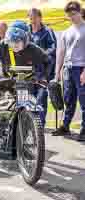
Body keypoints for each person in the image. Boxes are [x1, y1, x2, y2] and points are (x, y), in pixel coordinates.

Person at [0, 21, 49, 133]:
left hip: (25, 82)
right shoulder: (2, 45)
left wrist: (43, 77)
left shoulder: (33, 48)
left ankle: (21, 136)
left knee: (25, 107)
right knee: (1, 106)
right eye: (12, 41)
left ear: (26, 40)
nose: (15, 44)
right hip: (5, 81)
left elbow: (47, 61)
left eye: (18, 41)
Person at [53, 1, 85, 141]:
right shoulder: (66, 32)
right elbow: (60, 52)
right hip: (68, 68)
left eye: (74, 14)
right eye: (69, 15)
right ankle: (65, 126)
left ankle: (84, 130)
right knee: (68, 99)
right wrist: (57, 71)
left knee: (84, 100)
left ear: (80, 12)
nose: (71, 17)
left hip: (81, 68)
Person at [27, 8, 57, 127]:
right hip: (29, 72)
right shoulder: (26, 32)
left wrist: (42, 54)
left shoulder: (47, 31)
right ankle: (30, 124)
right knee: (29, 98)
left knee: (41, 98)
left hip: (43, 71)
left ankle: (40, 125)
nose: (32, 20)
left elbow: (53, 48)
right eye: (30, 17)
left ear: (40, 17)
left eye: (34, 17)